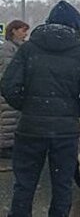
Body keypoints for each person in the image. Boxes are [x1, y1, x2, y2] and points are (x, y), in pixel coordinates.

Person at [0, 1, 80, 217]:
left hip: (30, 128)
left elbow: (8, 85)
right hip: (65, 131)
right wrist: (73, 111)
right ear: (75, 26)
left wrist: (27, 106)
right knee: (62, 186)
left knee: (24, 185)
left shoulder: (27, 49)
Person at [0, 20, 30, 162]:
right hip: (7, 89)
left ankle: (9, 145)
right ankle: (5, 147)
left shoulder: (18, 47)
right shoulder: (8, 49)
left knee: (13, 118)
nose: (25, 34)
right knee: (8, 119)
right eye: (23, 31)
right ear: (14, 31)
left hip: (14, 88)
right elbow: (8, 70)